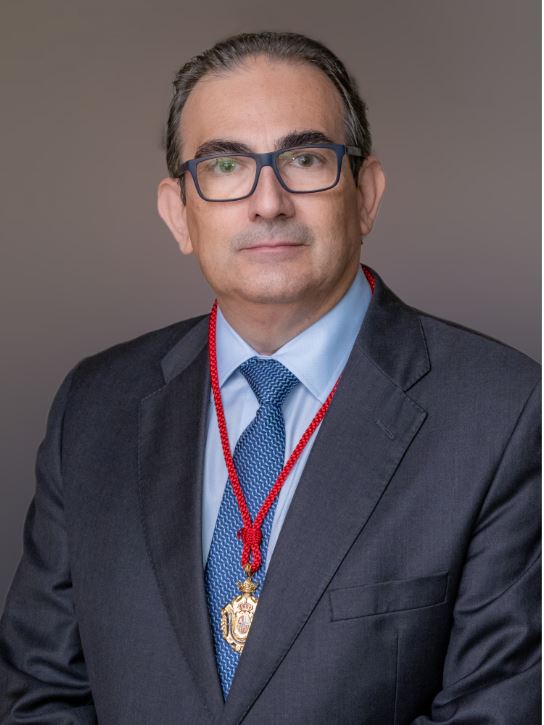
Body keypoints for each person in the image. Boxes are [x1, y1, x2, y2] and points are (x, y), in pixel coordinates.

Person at [0, 31, 540, 725]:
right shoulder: (95, 405)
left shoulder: (504, 412)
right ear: (179, 213)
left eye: (305, 159)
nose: (268, 202)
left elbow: (496, 708)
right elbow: (40, 691)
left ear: (366, 195)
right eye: (225, 166)